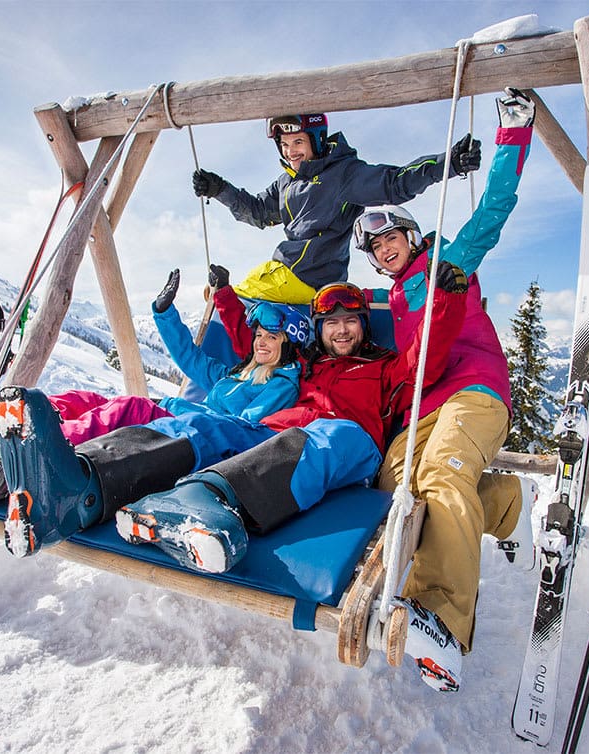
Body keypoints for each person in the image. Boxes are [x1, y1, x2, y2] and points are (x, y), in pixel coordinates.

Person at [118, 274, 467, 691]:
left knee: (328, 437)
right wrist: (227, 297)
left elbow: (426, 358)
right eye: (331, 322)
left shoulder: (385, 368)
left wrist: (446, 298)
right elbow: (254, 339)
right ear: (319, 330)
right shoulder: (304, 365)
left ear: (363, 326)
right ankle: (97, 479)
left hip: (348, 445)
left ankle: (212, 496)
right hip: (274, 434)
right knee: (212, 426)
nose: (341, 329)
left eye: (350, 320)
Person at [0, 271, 307, 535]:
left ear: (290, 343)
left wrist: (181, 410)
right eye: (259, 335)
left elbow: (240, 425)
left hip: (196, 431)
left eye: (272, 337)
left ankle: (32, 450)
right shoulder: (234, 372)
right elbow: (192, 358)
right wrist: (164, 313)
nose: (261, 342)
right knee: (83, 399)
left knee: (127, 410)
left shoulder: (283, 384)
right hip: (178, 411)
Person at [350, 88, 540, 671]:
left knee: (442, 472)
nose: (386, 250)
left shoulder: (447, 264)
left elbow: (493, 211)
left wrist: (512, 135)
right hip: (422, 404)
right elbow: (332, 315)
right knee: (392, 484)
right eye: (375, 248)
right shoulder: (387, 301)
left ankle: (442, 622)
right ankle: (504, 506)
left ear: (410, 235)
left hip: (475, 389)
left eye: (391, 238)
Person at [191, 113, 481, 303]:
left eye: (298, 142)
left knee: (225, 302)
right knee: (218, 298)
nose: (291, 151)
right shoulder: (286, 183)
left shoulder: (342, 174)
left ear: (316, 141)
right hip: (282, 272)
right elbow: (258, 212)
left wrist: (449, 164)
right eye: (285, 144)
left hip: (309, 277)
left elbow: (394, 183)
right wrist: (220, 190)